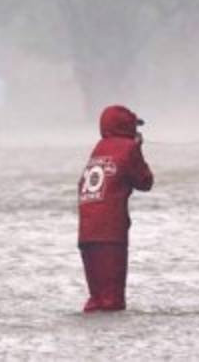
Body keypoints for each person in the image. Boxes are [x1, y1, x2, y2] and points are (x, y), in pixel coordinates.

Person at [77, 104, 154, 312]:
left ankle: (92, 339)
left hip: (86, 233)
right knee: (113, 301)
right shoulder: (128, 148)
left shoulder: (99, 148)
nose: (136, 131)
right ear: (126, 126)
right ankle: (113, 342)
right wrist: (138, 147)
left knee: (96, 299)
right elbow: (145, 181)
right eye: (134, 126)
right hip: (110, 234)